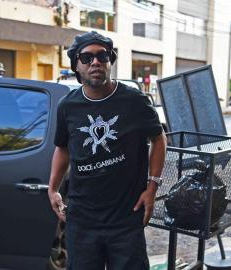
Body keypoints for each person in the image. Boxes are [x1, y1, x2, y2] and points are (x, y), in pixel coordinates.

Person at [48, 31, 167, 270]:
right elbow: (62, 149)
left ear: (110, 61)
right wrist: (53, 189)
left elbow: (159, 139)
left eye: (102, 56)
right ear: (76, 65)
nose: (95, 62)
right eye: (87, 57)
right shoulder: (67, 106)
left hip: (126, 218)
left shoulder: (134, 101)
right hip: (82, 220)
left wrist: (152, 188)